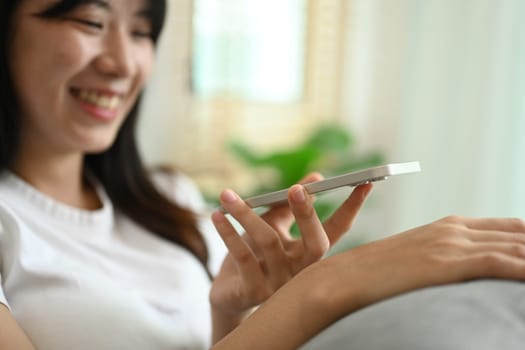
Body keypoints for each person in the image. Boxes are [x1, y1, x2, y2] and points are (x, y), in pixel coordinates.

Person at [0, 1, 524, 349]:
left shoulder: (169, 197)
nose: (123, 62)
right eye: (90, 22)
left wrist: (233, 312)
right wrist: (328, 287)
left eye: (141, 32)